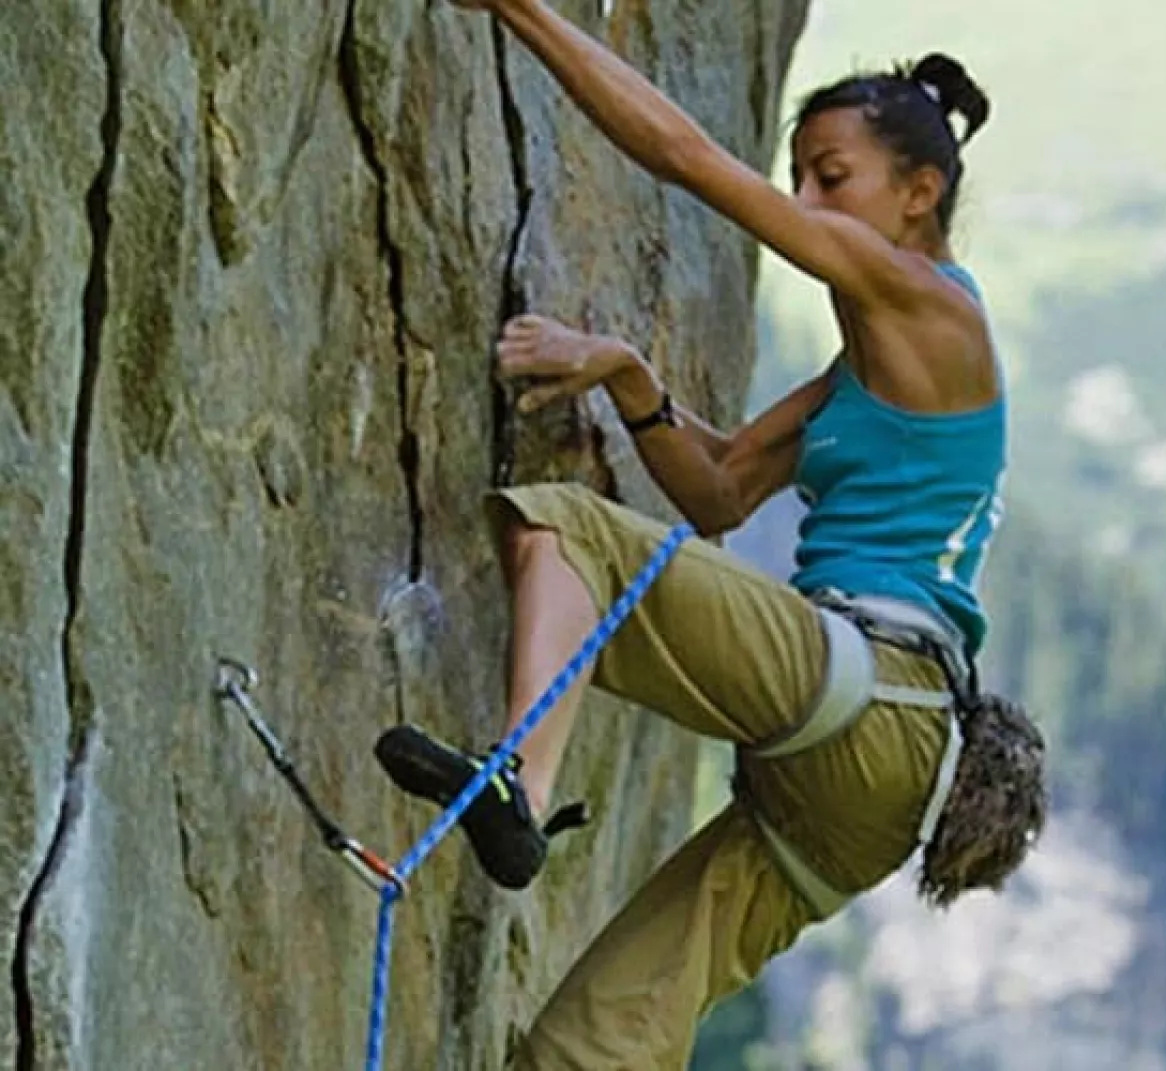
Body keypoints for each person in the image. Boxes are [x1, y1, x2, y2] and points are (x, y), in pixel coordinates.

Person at [373, 0, 1048, 1065]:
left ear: (919, 195)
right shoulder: (860, 371)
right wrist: (633, 381)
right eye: (799, 177)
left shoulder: (930, 305)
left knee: (568, 535)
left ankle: (519, 784)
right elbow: (721, 492)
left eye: (832, 177)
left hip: (874, 699)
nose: (803, 200)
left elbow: (684, 158)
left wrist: (519, 12)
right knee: (586, 1049)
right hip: (864, 800)